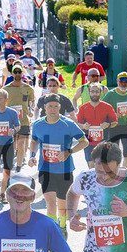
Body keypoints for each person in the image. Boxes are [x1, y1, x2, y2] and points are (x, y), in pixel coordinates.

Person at [29, 95, 88, 234]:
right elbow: (34, 141)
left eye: (56, 106)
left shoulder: (68, 124)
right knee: (50, 204)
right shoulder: (38, 124)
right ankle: (53, 230)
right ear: (44, 107)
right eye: (50, 106)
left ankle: (62, 226)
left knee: (62, 205)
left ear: (60, 107)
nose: (53, 109)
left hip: (64, 171)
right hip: (45, 169)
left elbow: (84, 141)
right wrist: (32, 155)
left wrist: (69, 151)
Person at [102, 72, 127, 168]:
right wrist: (113, 115)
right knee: (114, 152)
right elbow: (102, 107)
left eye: (125, 82)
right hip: (114, 126)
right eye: (121, 81)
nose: (123, 84)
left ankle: (126, 175)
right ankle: (114, 174)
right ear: (117, 81)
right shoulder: (111, 94)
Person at [75, 84, 118, 169]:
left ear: (100, 93)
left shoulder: (107, 107)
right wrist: (83, 126)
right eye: (93, 92)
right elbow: (78, 124)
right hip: (88, 142)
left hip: (103, 142)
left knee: (102, 166)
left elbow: (115, 122)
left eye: (97, 92)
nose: (95, 94)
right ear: (89, 93)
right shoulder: (83, 108)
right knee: (91, 167)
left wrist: (108, 124)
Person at [3, 64, 37, 170]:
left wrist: (31, 110)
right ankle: (12, 159)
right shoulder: (6, 89)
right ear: (12, 73)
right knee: (13, 145)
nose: (17, 74)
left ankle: (18, 167)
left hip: (24, 121)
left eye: (19, 72)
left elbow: (32, 101)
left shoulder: (28, 88)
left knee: (22, 144)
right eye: (15, 72)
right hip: (11, 121)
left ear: (22, 73)